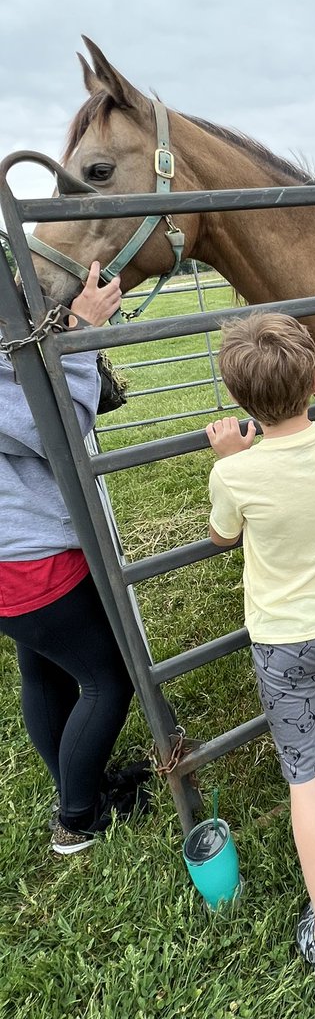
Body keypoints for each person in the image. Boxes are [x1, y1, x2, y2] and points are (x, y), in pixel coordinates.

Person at [206, 313, 315, 987]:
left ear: (238, 400)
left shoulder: (237, 475)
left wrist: (230, 458)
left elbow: (224, 536)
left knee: (306, 776)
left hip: (282, 644)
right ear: (313, 380)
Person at [0, 261, 145, 856]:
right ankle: (78, 818)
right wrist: (82, 337)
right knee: (108, 680)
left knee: (43, 670)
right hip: (32, 560)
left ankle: (75, 783)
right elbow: (59, 433)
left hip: (13, 556)